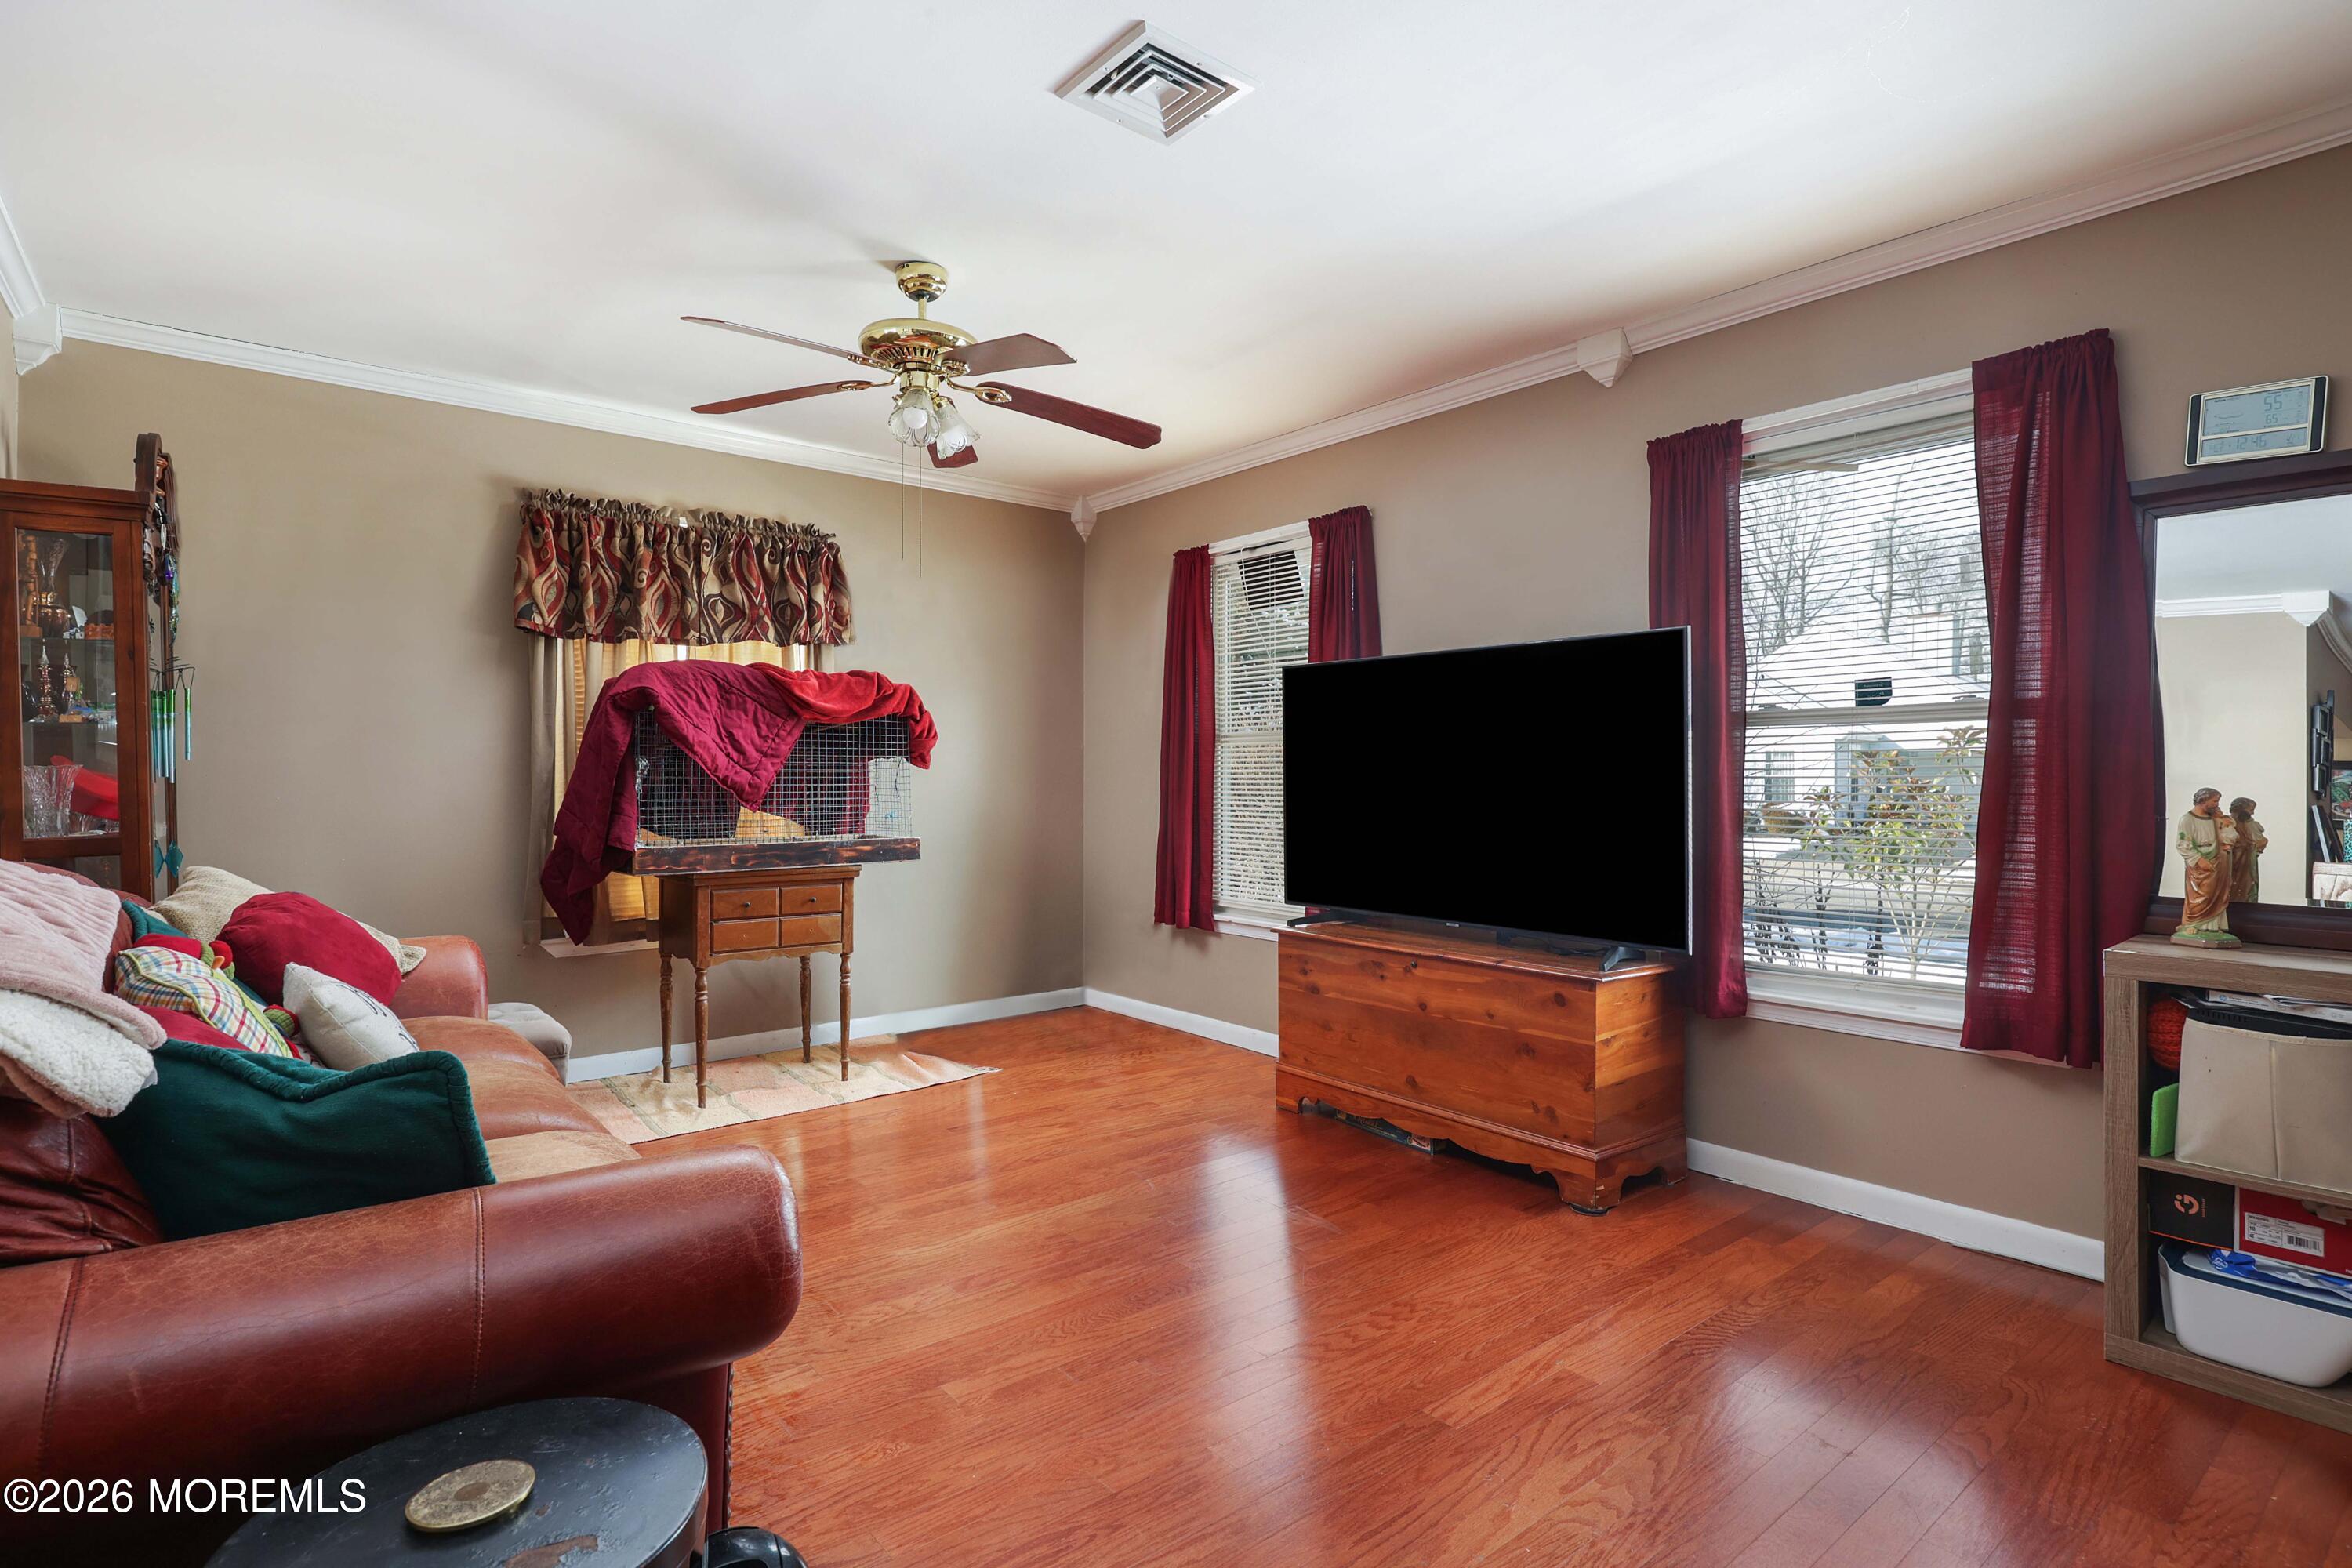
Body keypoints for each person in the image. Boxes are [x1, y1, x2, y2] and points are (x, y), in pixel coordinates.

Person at [2173, 787, 2242, 947]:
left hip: (2220, 861)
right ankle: (2193, 925)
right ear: (2203, 801)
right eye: (2215, 801)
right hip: (2201, 865)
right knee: (2200, 895)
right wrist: (2198, 859)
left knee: (2219, 893)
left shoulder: (2215, 819)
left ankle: (2214, 927)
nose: (2217, 805)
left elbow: (2228, 836)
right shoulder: (2187, 819)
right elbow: (2183, 844)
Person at [2228, 797, 2267, 905]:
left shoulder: (2250, 824)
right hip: (2234, 861)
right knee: (2235, 887)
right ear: (2240, 809)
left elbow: (2261, 841)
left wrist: (2253, 847)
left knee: (2248, 886)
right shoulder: (2227, 823)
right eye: (2250, 810)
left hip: (2247, 863)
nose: (2253, 813)